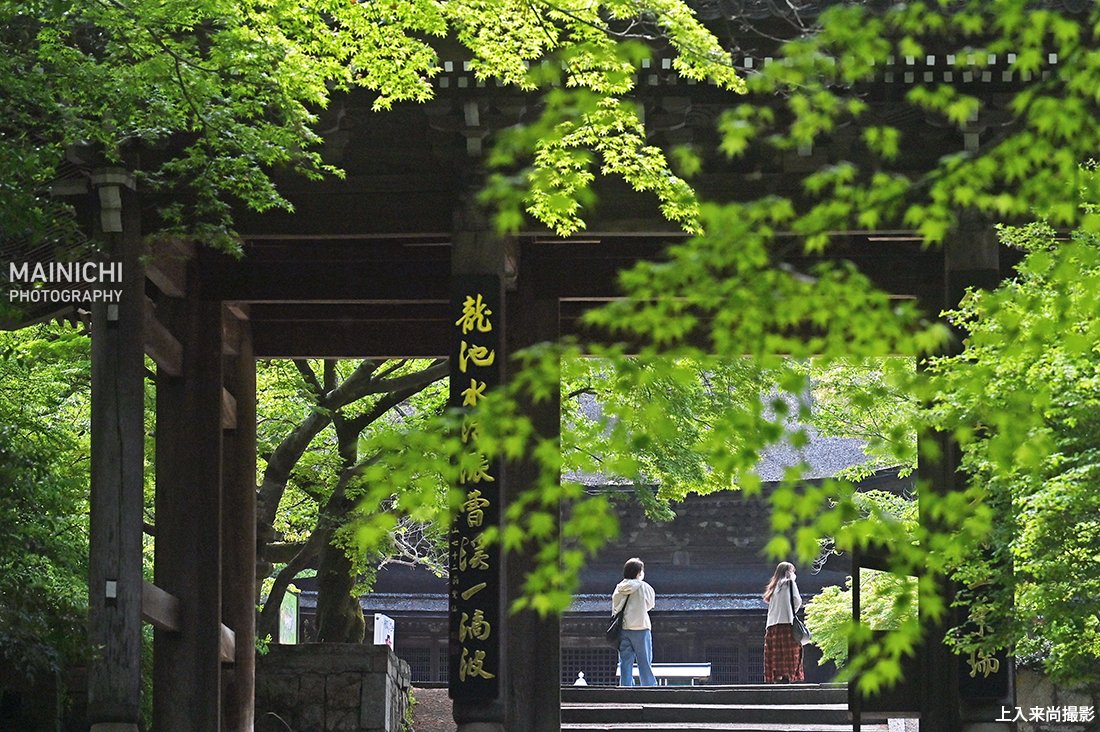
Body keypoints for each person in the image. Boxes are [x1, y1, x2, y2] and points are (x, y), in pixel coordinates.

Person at [611, 557, 657, 687]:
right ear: (639, 572)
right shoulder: (645, 587)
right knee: (644, 661)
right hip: (641, 627)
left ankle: (626, 687)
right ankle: (648, 686)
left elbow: (615, 607)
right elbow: (650, 605)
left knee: (625, 662)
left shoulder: (619, 587)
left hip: (624, 628)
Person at [762, 561, 805, 683]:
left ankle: (777, 677)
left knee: (775, 653)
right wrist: (792, 612)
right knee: (791, 652)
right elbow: (797, 600)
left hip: (772, 625)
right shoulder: (790, 583)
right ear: (788, 572)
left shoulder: (773, 587)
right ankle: (788, 676)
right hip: (787, 623)